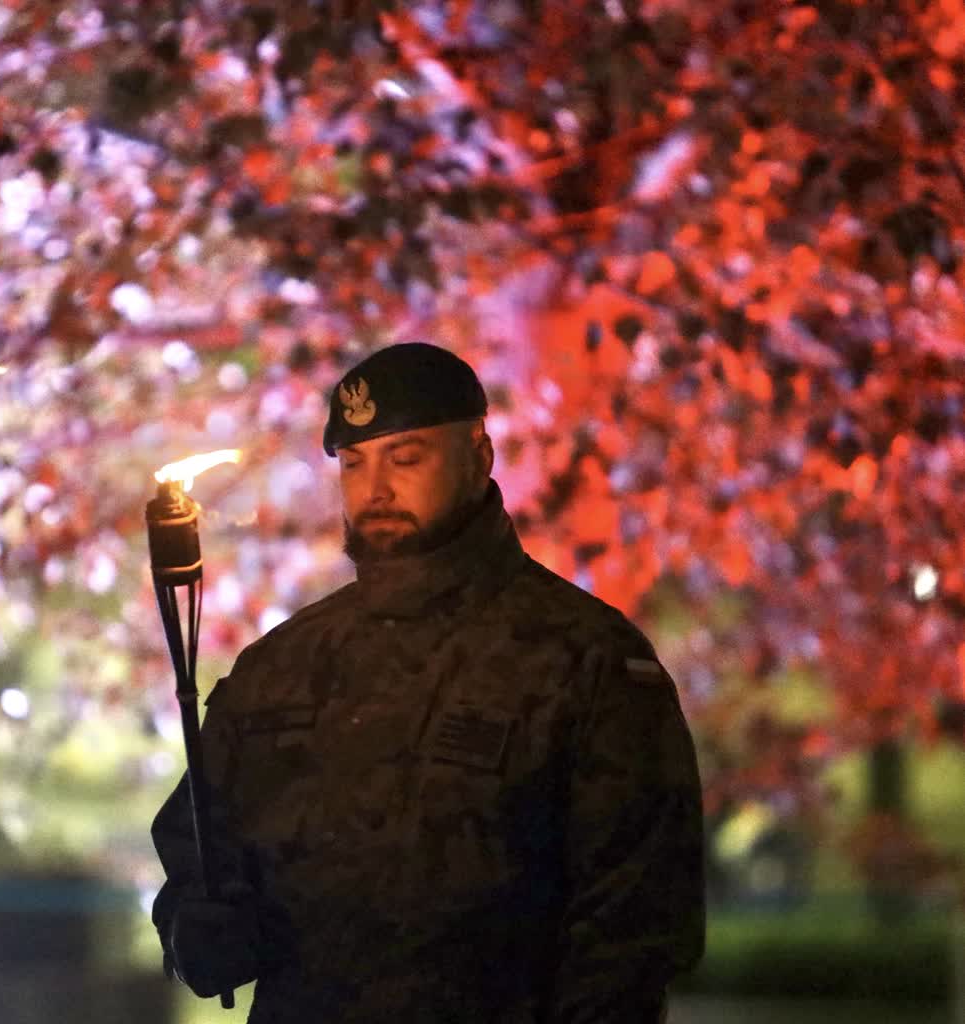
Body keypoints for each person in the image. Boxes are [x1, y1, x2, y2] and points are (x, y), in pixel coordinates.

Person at [150, 342, 705, 1023]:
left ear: (479, 456)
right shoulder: (282, 667)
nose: (375, 489)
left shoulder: (583, 659)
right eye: (354, 463)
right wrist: (193, 929)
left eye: (406, 458)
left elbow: (633, 929)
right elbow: (197, 849)